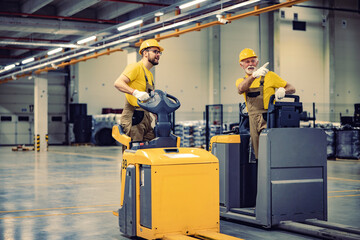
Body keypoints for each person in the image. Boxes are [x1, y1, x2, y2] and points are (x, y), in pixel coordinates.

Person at [235, 48, 296, 160]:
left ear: (257, 62)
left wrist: (283, 91)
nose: (250, 64)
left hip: (269, 117)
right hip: (252, 119)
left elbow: (292, 88)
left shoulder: (270, 76)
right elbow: (241, 89)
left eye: (253, 61)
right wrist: (254, 76)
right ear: (241, 65)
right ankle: (259, 175)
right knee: (257, 153)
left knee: (271, 150)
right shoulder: (241, 81)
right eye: (247, 62)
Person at [114, 39, 164, 143]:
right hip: (134, 116)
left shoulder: (149, 74)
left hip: (146, 116)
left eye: (159, 52)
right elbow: (118, 83)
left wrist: (156, 114)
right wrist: (135, 92)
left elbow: (151, 97)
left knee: (151, 147)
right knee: (135, 150)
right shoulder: (135, 67)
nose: (158, 55)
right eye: (155, 51)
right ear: (145, 53)